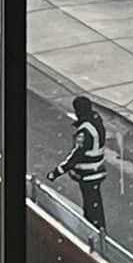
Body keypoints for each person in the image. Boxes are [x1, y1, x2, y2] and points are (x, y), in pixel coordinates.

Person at [47, 96, 107, 231]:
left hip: (88, 174)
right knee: (94, 204)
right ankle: (98, 230)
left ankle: (95, 233)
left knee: (91, 207)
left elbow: (76, 155)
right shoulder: (96, 121)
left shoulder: (85, 131)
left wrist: (57, 172)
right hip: (97, 170)